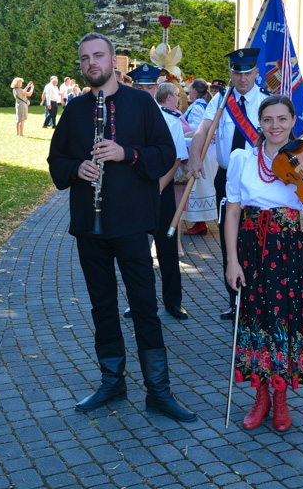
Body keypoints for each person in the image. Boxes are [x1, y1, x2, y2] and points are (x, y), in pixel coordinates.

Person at [47, 32, 195, 422]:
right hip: (88, 226)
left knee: (145, 305)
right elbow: (55, 161)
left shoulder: (141, 104)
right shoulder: (76, 109)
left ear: (114, 61)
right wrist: (77, 168)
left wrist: (125, 153)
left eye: (98, 55)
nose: (91, 63)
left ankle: (158, 392)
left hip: (130, 223)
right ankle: (112, 382)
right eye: (84, 58)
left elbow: (165, 154)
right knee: (102, 306)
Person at [224, 94, 303, 431]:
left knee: (283, 321)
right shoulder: (242, 160)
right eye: (268, 120)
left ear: (293, 122)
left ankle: (280, 398)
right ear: (260, 123)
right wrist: (232, 262)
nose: (275, 126)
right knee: (255, 321)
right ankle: (260, 396)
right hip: (251, 251)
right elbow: (233, 212)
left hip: (287, 252)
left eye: (282, 119)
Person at [187, 48, 271, 320]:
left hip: (259, 178)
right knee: (230, 240)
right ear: (230, 72)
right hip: (227, 178)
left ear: (256, 72)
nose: (242, 78)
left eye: (247, 72)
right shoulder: (221, 100)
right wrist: (194, 157)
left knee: (261, 239)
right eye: (237, 72)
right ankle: (235, 302)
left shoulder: (267, 101)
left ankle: (261, 299)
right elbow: (202, 129)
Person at [153, 82, 189, 318]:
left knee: (166, 247)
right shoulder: (132, 116)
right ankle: (138, 300)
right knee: (134, 250)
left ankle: (172, 301)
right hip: (134, 190)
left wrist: (158, 188)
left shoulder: (172, 120)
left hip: (160, 189)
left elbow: (176, 158)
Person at [182, 78, 217, 236]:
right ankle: (199, 222)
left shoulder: (197, 107)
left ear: (194, 91)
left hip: (199, 151)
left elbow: (198, 129)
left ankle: (200, 222)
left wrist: (183, 134)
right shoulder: (202, 105)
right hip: (203, 151)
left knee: (198, 186)